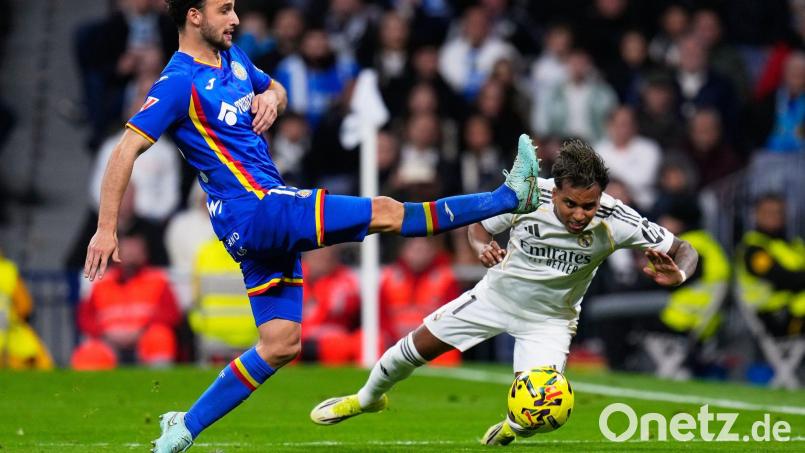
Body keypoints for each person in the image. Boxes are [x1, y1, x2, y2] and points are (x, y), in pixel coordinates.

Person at [81, 1, 542, 452]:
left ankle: (181, 431)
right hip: (260, 209)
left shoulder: (233, 58)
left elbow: (276, 87)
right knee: (388, 211)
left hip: (253, 224)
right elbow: (125, 150)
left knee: (280, 343)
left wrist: (272, 99)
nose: (236, 19)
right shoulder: (178, 83)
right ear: (194, 16)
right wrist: (107, 228)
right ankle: (507, 197)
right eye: (225, 9)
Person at [310, 139, 699, 446]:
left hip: (549, 320)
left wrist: (679, 271)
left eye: (589, 205)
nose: (581, 214)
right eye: (571, 204)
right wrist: (482, 248)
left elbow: (685, 249)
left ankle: (514, 427)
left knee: (542, 411)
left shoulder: (616, 218)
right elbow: (477, 227)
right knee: (409, 351)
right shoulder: (529, 196)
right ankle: (367, 398)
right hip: (496, 299)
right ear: (555, 189)